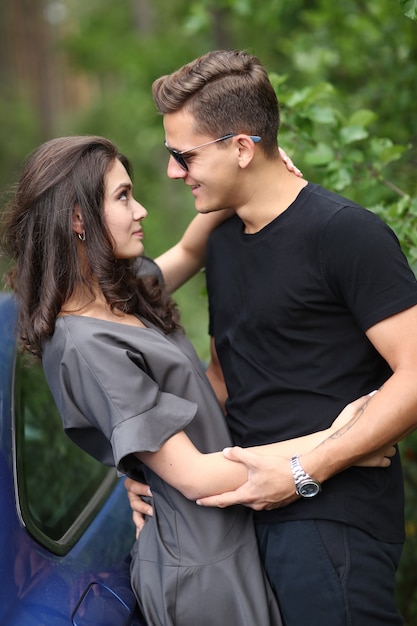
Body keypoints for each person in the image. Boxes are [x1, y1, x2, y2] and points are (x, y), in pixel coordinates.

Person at [2, 135, 385, 625]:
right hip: (206, 573)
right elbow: (195, 475)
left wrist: (249, 172)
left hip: (235, 531)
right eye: (122, 197)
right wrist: (344, 441)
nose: (139, 210)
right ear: (78, 219)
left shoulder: (120, 289)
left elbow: (188, 248)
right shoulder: (84, 346)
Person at [125, 50, 417, 625]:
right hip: (246, 516)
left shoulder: (345, 233)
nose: (173, 173)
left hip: (332, 522)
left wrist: (306, 470)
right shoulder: (224, 238)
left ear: (241, 147)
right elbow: (222, 381)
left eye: (183, 156)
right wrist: (150, 473)